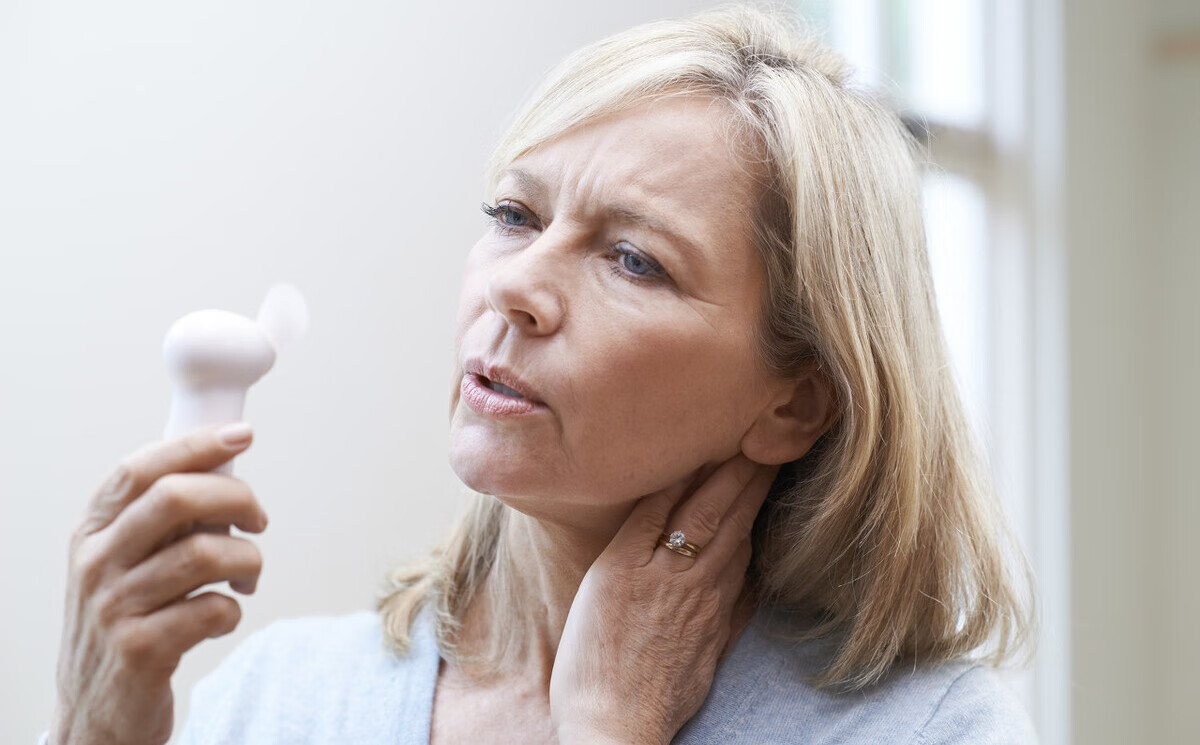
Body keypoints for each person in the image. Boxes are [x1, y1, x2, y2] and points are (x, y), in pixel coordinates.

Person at [45, 5, 1038, 744]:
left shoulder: (925, 730)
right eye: (514, 216)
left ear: (794, 401)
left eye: (632, 260)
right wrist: (96, 727)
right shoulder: (279, 700)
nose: (517, 285)